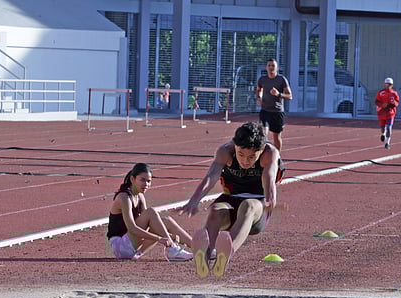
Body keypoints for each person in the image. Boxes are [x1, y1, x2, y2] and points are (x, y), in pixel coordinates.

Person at [178, 122, 285, 278]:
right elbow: (211, 176)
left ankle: (226, 252)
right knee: (216, 209)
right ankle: (205, 257)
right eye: (241, 154)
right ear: (235, 146)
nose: (245, 161)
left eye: (251, 157)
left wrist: (270, 200)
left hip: (258, 205)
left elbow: (269, 176)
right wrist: (194, 200)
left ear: (260, 150)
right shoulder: (225, 152)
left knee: (248, 206)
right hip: (231, 199)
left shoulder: (269, 153)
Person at [106, 163, 193, 262]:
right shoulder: (124, 198)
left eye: (149, 181)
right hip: (120, 246)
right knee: (151, 212)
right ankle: (172, 249)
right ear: (132, 179)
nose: (146, 184)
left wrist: (168, 236)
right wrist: (160, 238)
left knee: (166, 221)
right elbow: (132, 228)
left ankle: (200, 249)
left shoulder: (140, 197)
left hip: (131, 244)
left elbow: (151, 226)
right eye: (142, 180)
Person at [256, 58, 292, 152]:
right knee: (264, 132)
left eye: (273, 66)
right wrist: (258, 98)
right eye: (269, 66)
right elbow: (259, 89)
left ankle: (277, 156)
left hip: (277, 111)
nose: (271, 67)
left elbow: (290, 96)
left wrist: (278, 94)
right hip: (265, 110)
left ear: (277, 68)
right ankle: (262, 154)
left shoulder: (281, 79)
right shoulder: (262, 79)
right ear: (266, 67)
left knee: (276, 135)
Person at [375, 77, 400, 149]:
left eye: (389, 84)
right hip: (381, 113)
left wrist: (393, 103)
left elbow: (397, 102)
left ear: (392, 85)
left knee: (389, 127)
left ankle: (387, 143)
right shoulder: (381, 93)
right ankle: (383, 134)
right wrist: (382, 105)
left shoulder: (394, 93)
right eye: (386, 84)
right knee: (383, 127)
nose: (388, 86)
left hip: (390, 113)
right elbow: (376, 101)